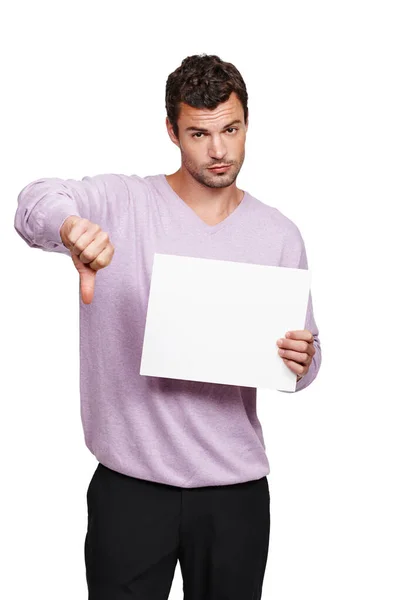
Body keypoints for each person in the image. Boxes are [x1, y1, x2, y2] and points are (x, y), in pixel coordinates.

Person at [14, 53, 322, 600]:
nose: (219, 150)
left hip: (235, 491)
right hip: (130, 488)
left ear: (247, 122)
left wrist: (304, 361)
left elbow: (302, 359)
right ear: (172, 131)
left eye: (231, 129)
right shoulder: (120, 202)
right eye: (199, 134)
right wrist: (71, 229)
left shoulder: (279, 234)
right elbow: (33, 202)